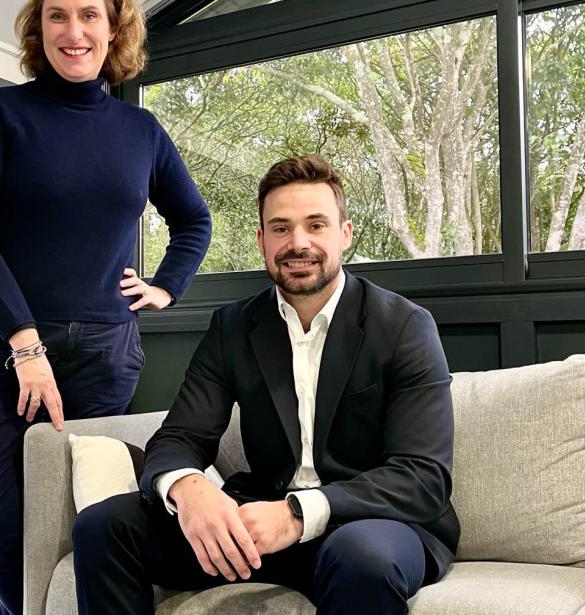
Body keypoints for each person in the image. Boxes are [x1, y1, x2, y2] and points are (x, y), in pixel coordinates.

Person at [72, 154, 459, 615]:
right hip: (256, 525)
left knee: (362, 559)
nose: (299, 243)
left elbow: (423, 476)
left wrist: (297, 514)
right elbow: (180, 436)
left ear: (345, 235)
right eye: (281, 228)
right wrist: (188, 489)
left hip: (369, 523)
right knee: (103, 526)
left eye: (316, 225)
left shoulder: (404, 326)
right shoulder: (233, 327)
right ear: (261, 240)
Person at [0, 0, 211, 612]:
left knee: (83, 521)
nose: (74, 32)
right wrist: (24, 343)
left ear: (114, 28)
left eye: (90, 14)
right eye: (57, 15)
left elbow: (193, 219)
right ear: (39, 28)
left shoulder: (140, 132)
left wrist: (166, 285)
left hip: (103, 354)